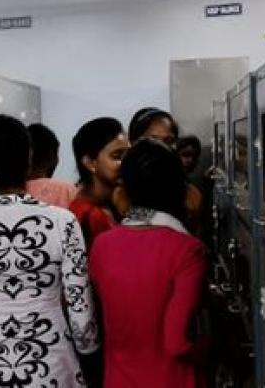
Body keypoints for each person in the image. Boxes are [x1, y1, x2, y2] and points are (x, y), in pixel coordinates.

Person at [0, 115, 99, 388]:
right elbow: (81, 319)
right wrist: (90, 356)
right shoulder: (63, 222)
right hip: (51, 369)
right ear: (29, 159)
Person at [90, 139, 210, 388]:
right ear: (178, 186)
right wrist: (212, 344)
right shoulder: (187, 250)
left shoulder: (101, 245)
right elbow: (177, 344)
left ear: (125, 188)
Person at [122, 108, 202, 233]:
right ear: (133, 144)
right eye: (153, 141)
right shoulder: (118, 196)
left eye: (168, 141)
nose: (161, 148)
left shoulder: (191, 196)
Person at [69, 117, 130, 245]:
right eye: (117, 156)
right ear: (90, 163)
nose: (126, 162)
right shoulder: (85, 215)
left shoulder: (117, 202)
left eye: (128, 155)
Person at [26, 123, 79, 208]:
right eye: (57, 153)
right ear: (51, 155)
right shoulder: (67, 190)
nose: (58, 160)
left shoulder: (10, 193)